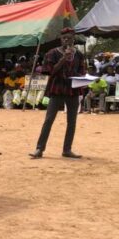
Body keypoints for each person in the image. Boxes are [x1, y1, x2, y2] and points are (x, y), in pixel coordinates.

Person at [29, 27, 86, 159]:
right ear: (60, 39)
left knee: (72, 121)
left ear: (74, 39)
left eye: (69, 38)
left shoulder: (79, 55)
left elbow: (82, 71)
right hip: (57, 90)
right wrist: (63, 59)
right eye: (64, 38)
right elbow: (50, 71)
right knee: (49, 120)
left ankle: (67, 149)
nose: (66, 40)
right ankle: (39, 149)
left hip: (73, 90)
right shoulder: (52, 53)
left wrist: (83, 78)